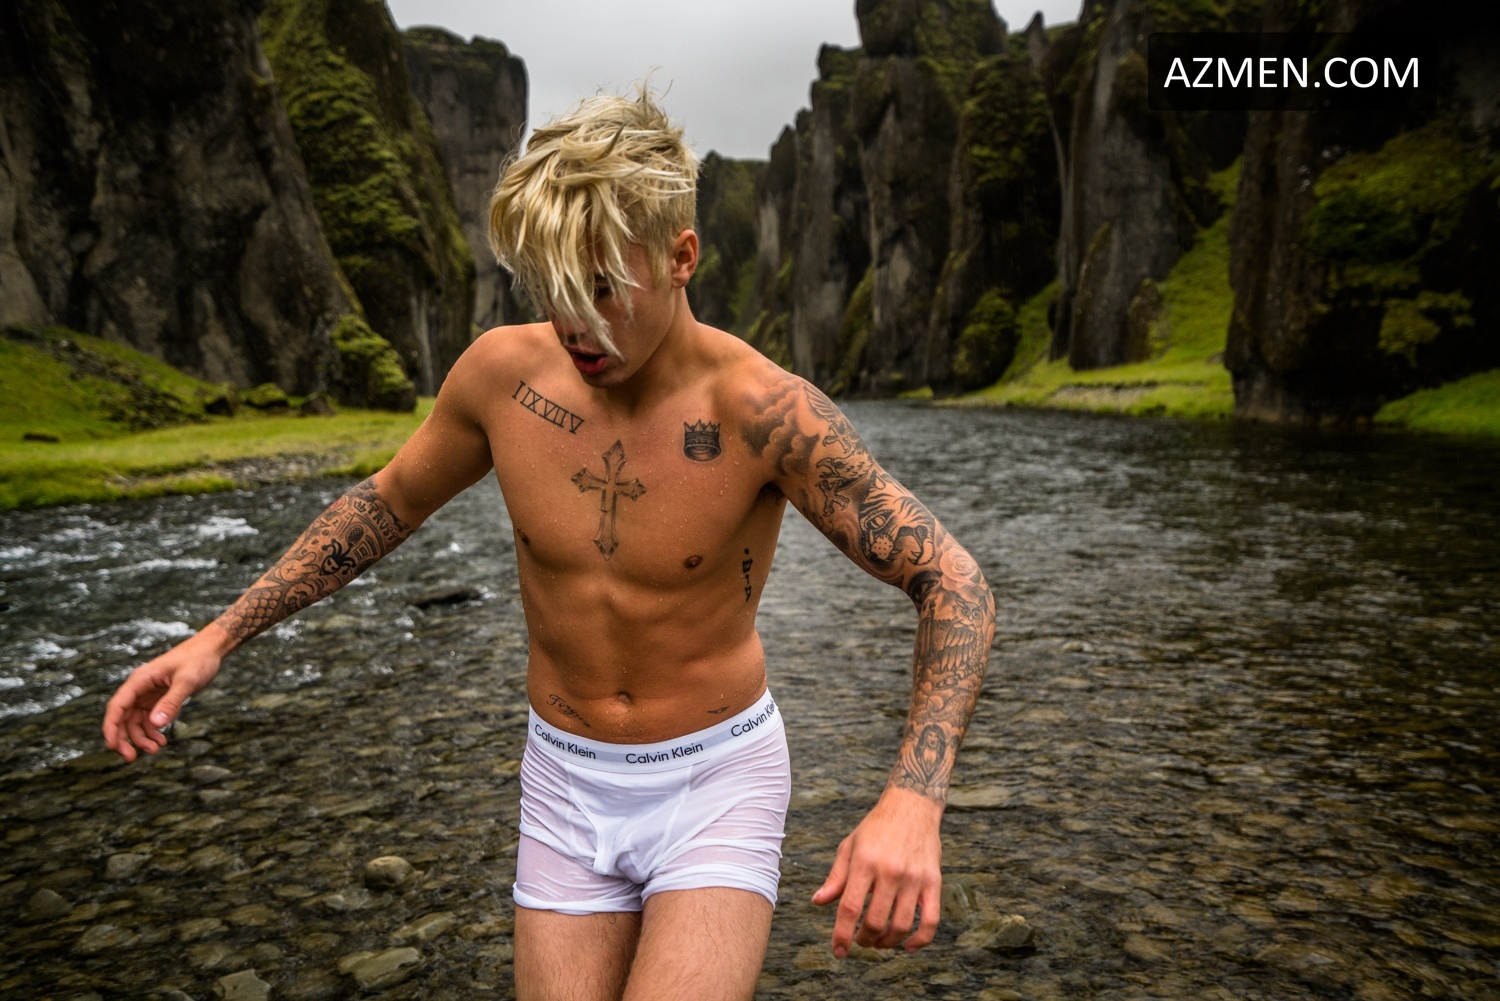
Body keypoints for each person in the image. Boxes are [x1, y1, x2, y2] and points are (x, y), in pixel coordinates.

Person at [103, 88, 995, 1001]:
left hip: (715, 779)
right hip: (564, 781)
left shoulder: (764, 413)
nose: (575, 324)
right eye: (553, 290)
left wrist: (913, 798)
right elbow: (383, 506)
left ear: (682, 257)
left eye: (601, 288)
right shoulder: (500, 378)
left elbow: (953, 581)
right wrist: (217, 637)